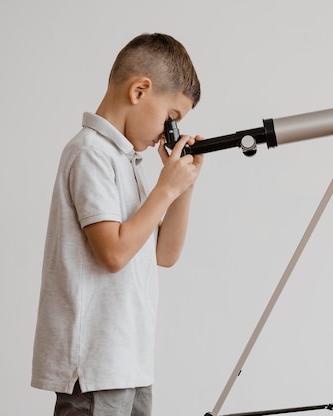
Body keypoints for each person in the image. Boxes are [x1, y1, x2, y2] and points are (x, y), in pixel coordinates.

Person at [31, 33, 204, 416]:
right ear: (140, 90)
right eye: (171, 118)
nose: (168, 131)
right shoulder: (90, 153)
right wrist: (163, 188)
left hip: (130, 362)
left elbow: (165, 253)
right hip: (95, 366)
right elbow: (113, 252)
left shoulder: (127, 162)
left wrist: (182, 186)